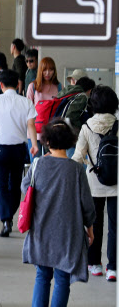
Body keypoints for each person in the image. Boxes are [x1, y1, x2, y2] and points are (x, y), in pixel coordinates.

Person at [22, 119, 96, 306]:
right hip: (68, 233)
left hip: (41, 230)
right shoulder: (77, 169)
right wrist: (90, 228)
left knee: (42, 275)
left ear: (47, 141)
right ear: (70, 141)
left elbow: (25, 188)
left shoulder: (38, 165)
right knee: (63, 278)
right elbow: (87, 204)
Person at [72, 85, 118, 281]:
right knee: (115, 227)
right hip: (116, 184)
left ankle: (95, 265)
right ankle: (113, 267)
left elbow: (77, 157)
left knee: (94, 224)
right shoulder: (118, 124)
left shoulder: (87, 127)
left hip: (94, 184)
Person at [0, 70, 38, 237]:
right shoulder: (26, 102)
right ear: (18, 84)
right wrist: (34, 144)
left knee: (0, 186)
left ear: (1, 85)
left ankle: (5, 219)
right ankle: (9, 214)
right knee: (15, 184)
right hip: (18, 149)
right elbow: (31, 125)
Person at [27, 57, 61, 156]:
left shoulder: (59, 87)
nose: (47, 73)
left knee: (51, 165)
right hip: (34, 133)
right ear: (40, 70)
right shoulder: (33, 87)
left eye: (50, 70)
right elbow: (28, 111)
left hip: (52, 133)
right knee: (36, 164)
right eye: (44, 70)